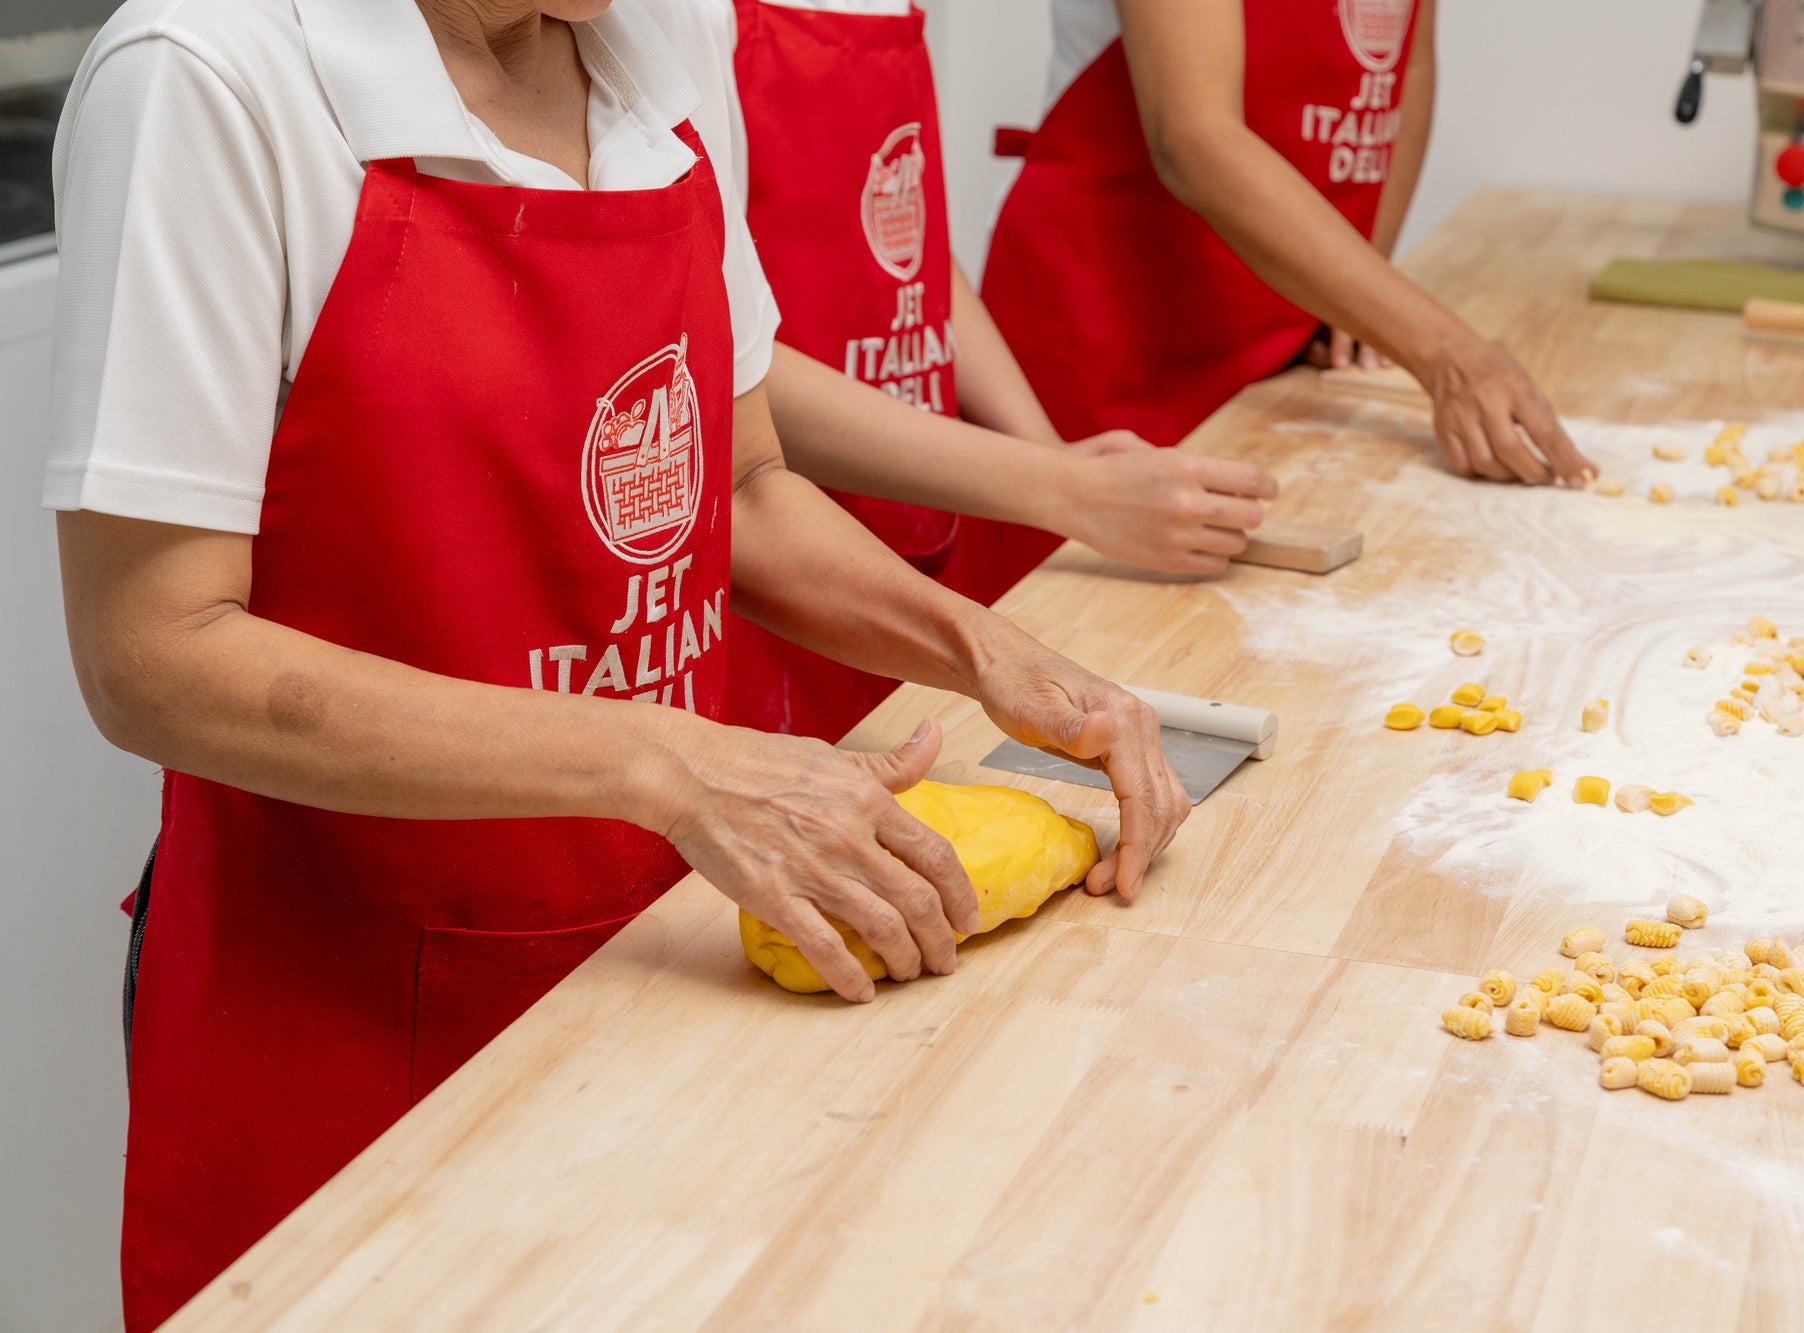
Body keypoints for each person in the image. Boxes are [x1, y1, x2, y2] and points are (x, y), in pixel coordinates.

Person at [44, 1, 1186, 1326]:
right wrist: (671, 763)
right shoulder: (211, 78)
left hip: (655, 963)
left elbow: (739, 483)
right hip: (344, 1030)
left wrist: (981, 648)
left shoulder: (651, 45)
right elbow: (154, 652)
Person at [723, 0, 1279, 740]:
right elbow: (728, 369)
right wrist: (1063, 488)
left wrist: (1051, 454)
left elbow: (912, 249)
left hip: (915, 528)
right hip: (784, 567)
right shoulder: (687, 21)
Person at [982, 0, 1596, 487]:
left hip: (1284, 337)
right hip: (1116, 329)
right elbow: (1195, 139)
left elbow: (1406, 66)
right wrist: (1445, 351)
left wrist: (1359, 296)